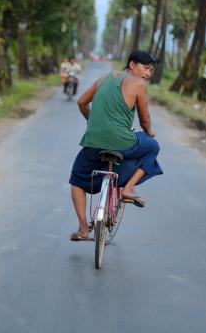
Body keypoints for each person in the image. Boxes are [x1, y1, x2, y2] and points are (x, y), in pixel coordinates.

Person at [68, 51, 164, 241]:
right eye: (145, 68)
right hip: (123, 142)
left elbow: (81, 102)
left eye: (151, 70)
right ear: (132, 65)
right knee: (153, 147)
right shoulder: (138, 84)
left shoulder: (104, 78)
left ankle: (82, 229)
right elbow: (144, 120)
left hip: (93, 142)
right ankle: (128, 188)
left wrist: (93, 123)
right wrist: (149, 131)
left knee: (77, 180)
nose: (148, 74)